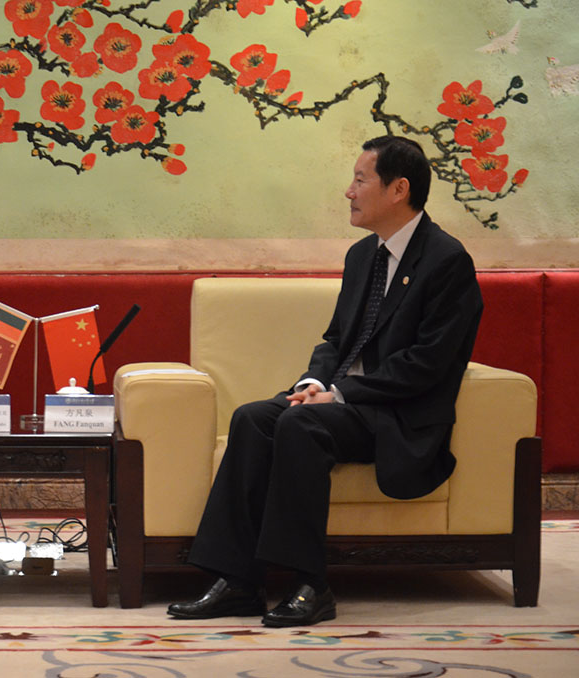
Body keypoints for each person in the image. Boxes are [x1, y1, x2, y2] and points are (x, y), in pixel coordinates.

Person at [167, 136, 483, 627]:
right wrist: (314, 381)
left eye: (360, 180)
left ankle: (310, 585)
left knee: (301, 426)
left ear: (398, 189)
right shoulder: (362, 256)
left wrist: (338, 394)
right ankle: (238, 582)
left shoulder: (447, 260)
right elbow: (337, 339)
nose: (349, 192)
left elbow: (427, 364)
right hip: (346, 404)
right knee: (252, 418)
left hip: (398, 415)